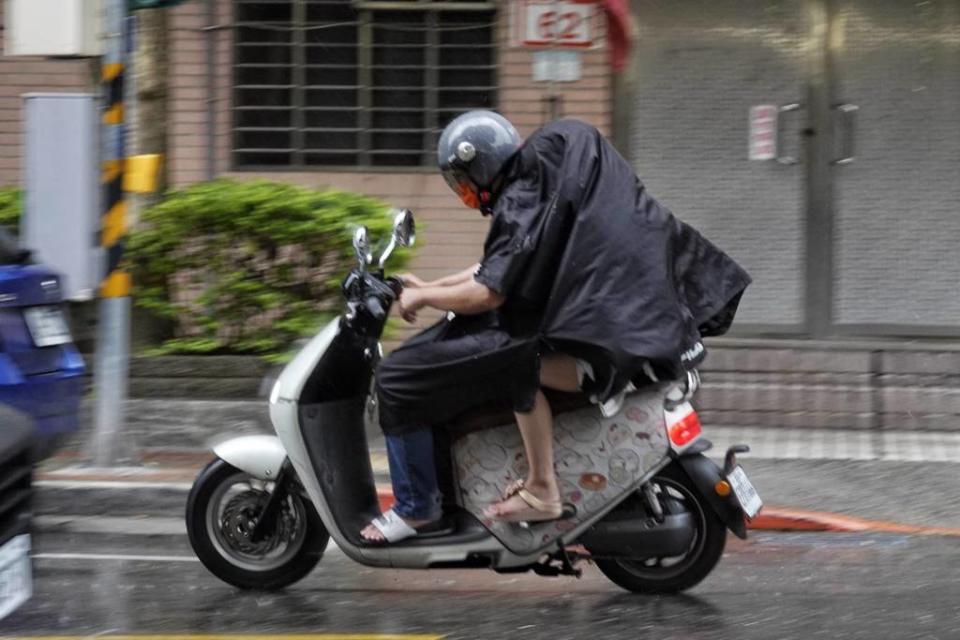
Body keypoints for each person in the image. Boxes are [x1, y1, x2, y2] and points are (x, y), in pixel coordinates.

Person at [361, 110, 751, 543]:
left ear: (482, 166)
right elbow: (496, 269)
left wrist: (425, 297)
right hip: (623, 334)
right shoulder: (541, 181)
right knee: (489, 351)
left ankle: (455, 502)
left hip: (599, 350)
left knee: (407, 375)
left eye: (463, 181)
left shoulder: (520, 201)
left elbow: (490, 293)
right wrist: (431, 287)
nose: (465, 193)